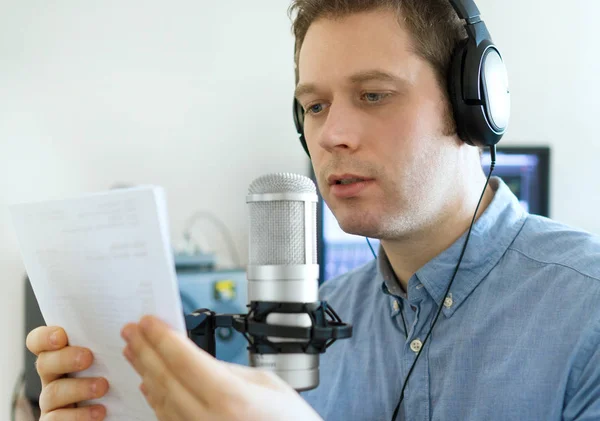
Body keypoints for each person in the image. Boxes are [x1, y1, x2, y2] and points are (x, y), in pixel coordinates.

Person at [26, 0, 600, 420]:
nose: (332, 135)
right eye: (315, 105)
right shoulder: (312, 323)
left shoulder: (588, 310)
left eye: (373, 95)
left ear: (474, 105)